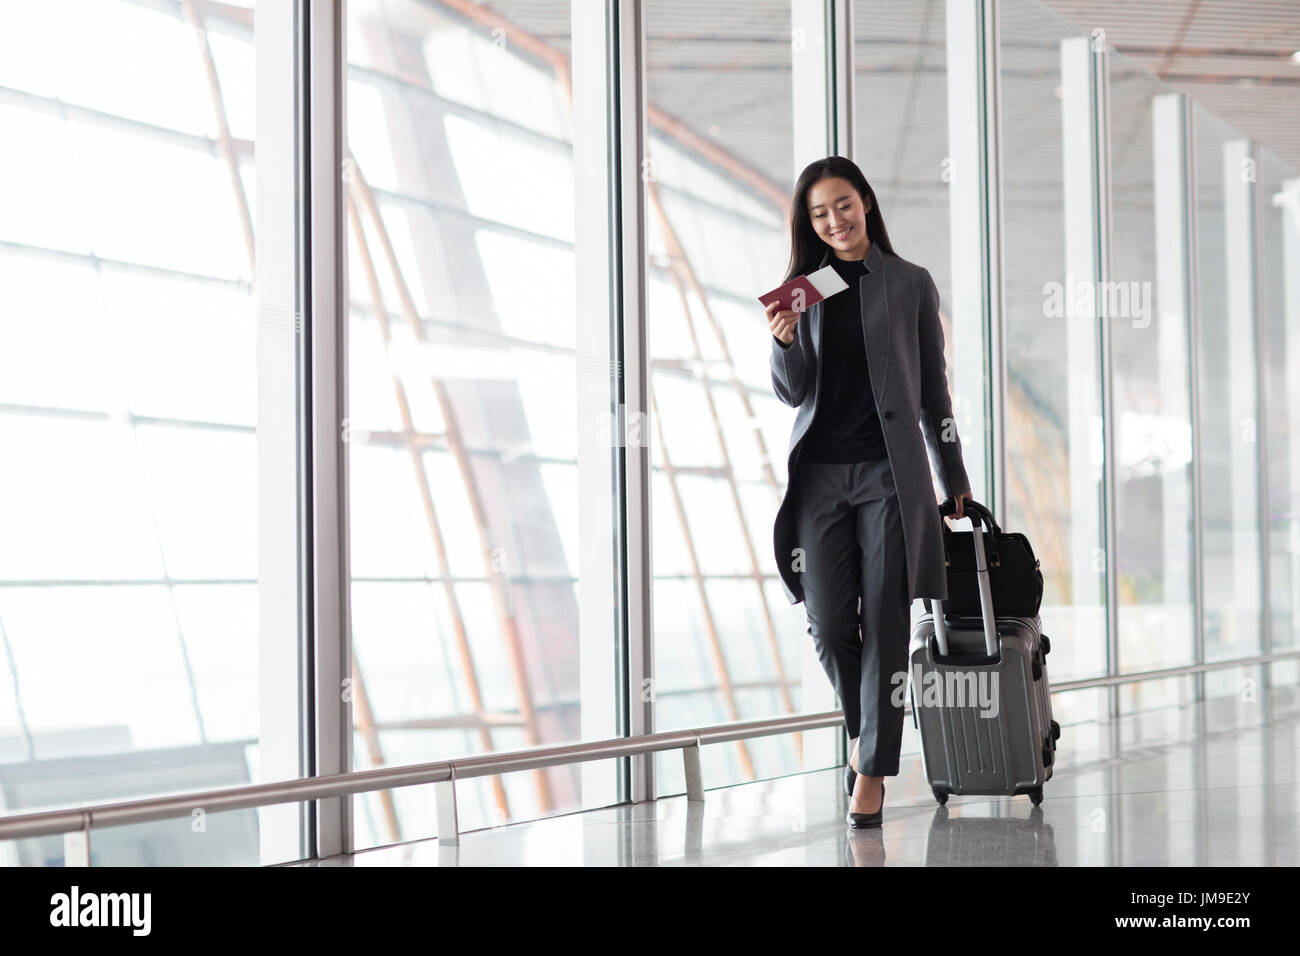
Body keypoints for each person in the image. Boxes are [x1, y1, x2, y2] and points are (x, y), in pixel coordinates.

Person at [765, 156, 973, 828]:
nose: (835, 221)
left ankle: (873, 773)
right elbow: (793, 391)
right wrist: (784, 343)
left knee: (884, 621)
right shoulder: (806, 287)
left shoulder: (910, 284)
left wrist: (955, 478)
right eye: (821, 214)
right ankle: (870, 735)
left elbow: (933, 394)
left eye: (844, 205)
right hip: (821, 476)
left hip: (890, 475)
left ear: (866, 203)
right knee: (828, 624)